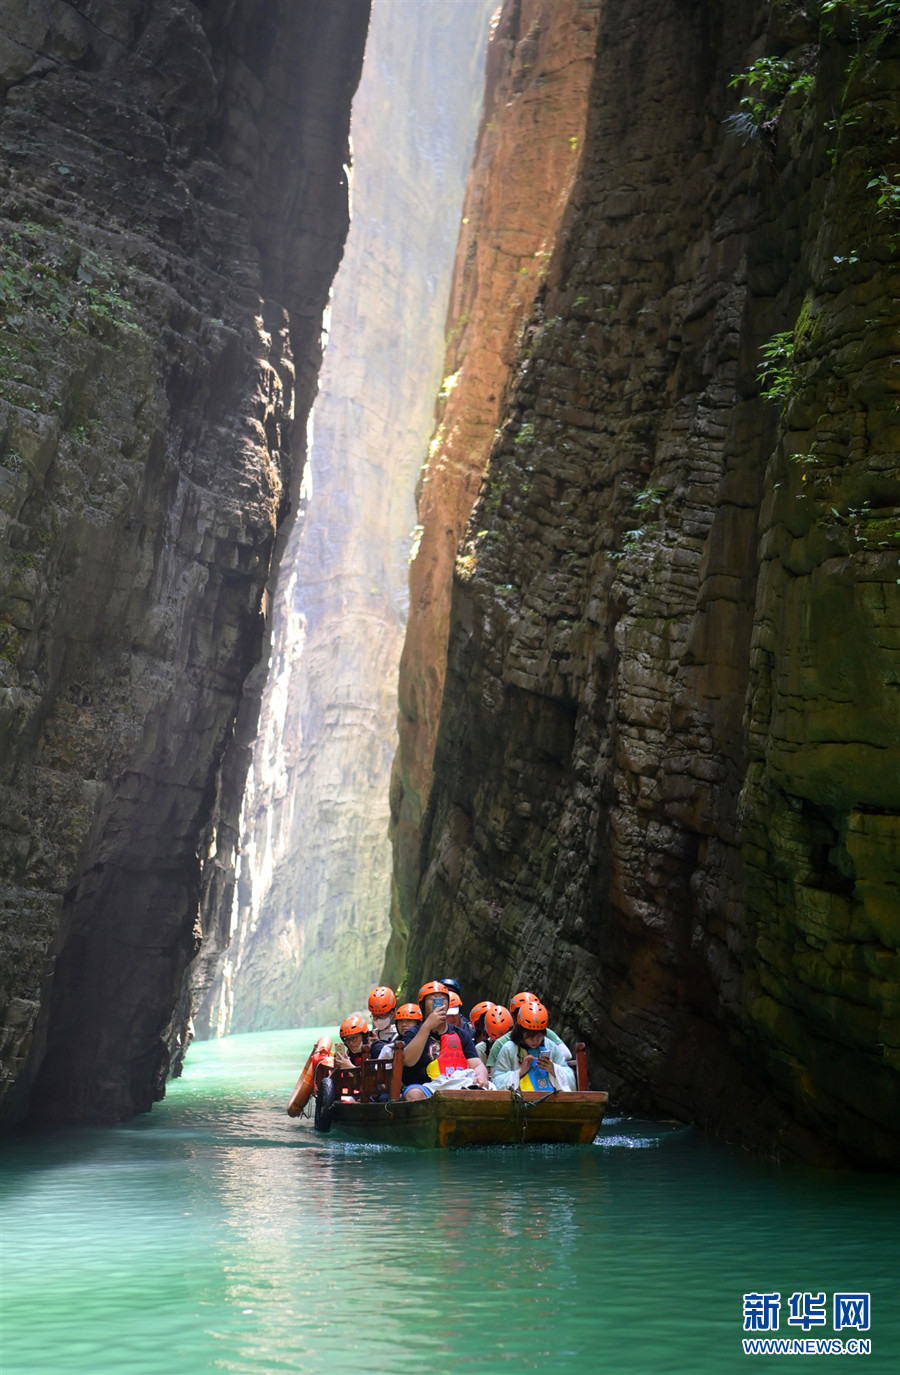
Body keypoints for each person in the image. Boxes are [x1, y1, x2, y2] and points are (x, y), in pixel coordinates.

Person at [401, 981, 490, 1100]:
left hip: (458, 1084)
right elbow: (408, 1060)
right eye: (432, 998)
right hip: (425, 1087)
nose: (439, 1002)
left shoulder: (461, 1034)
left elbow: (477, 1064)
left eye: (443, 998)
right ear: (422, 1005)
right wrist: (427, 1026)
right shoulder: (412, 1033)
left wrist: (482, 1075)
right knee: (414, 1094)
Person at [491, 999, 575, 1092]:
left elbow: (570, 1077)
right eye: (530, 1036)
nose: (535, 1040)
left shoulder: (550, 1046)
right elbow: (496, 1081)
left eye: (539, 1035)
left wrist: (553, 1069)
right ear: (521, 1031)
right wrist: (520, 1072)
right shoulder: (509, 1048)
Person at [486, 990, 572, 1070]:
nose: (535, 1039)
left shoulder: (547, 1033)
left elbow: (566, 1054)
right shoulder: (501, 1043)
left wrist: (542, 1061)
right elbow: (496, 1073)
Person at [368, 986, 399, 1059]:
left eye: (382, 1015)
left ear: (391, 1013)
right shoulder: (371, 1035)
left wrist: (377, 1044)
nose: (378, 1019)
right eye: (375, 1016)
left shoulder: (398, 1034)